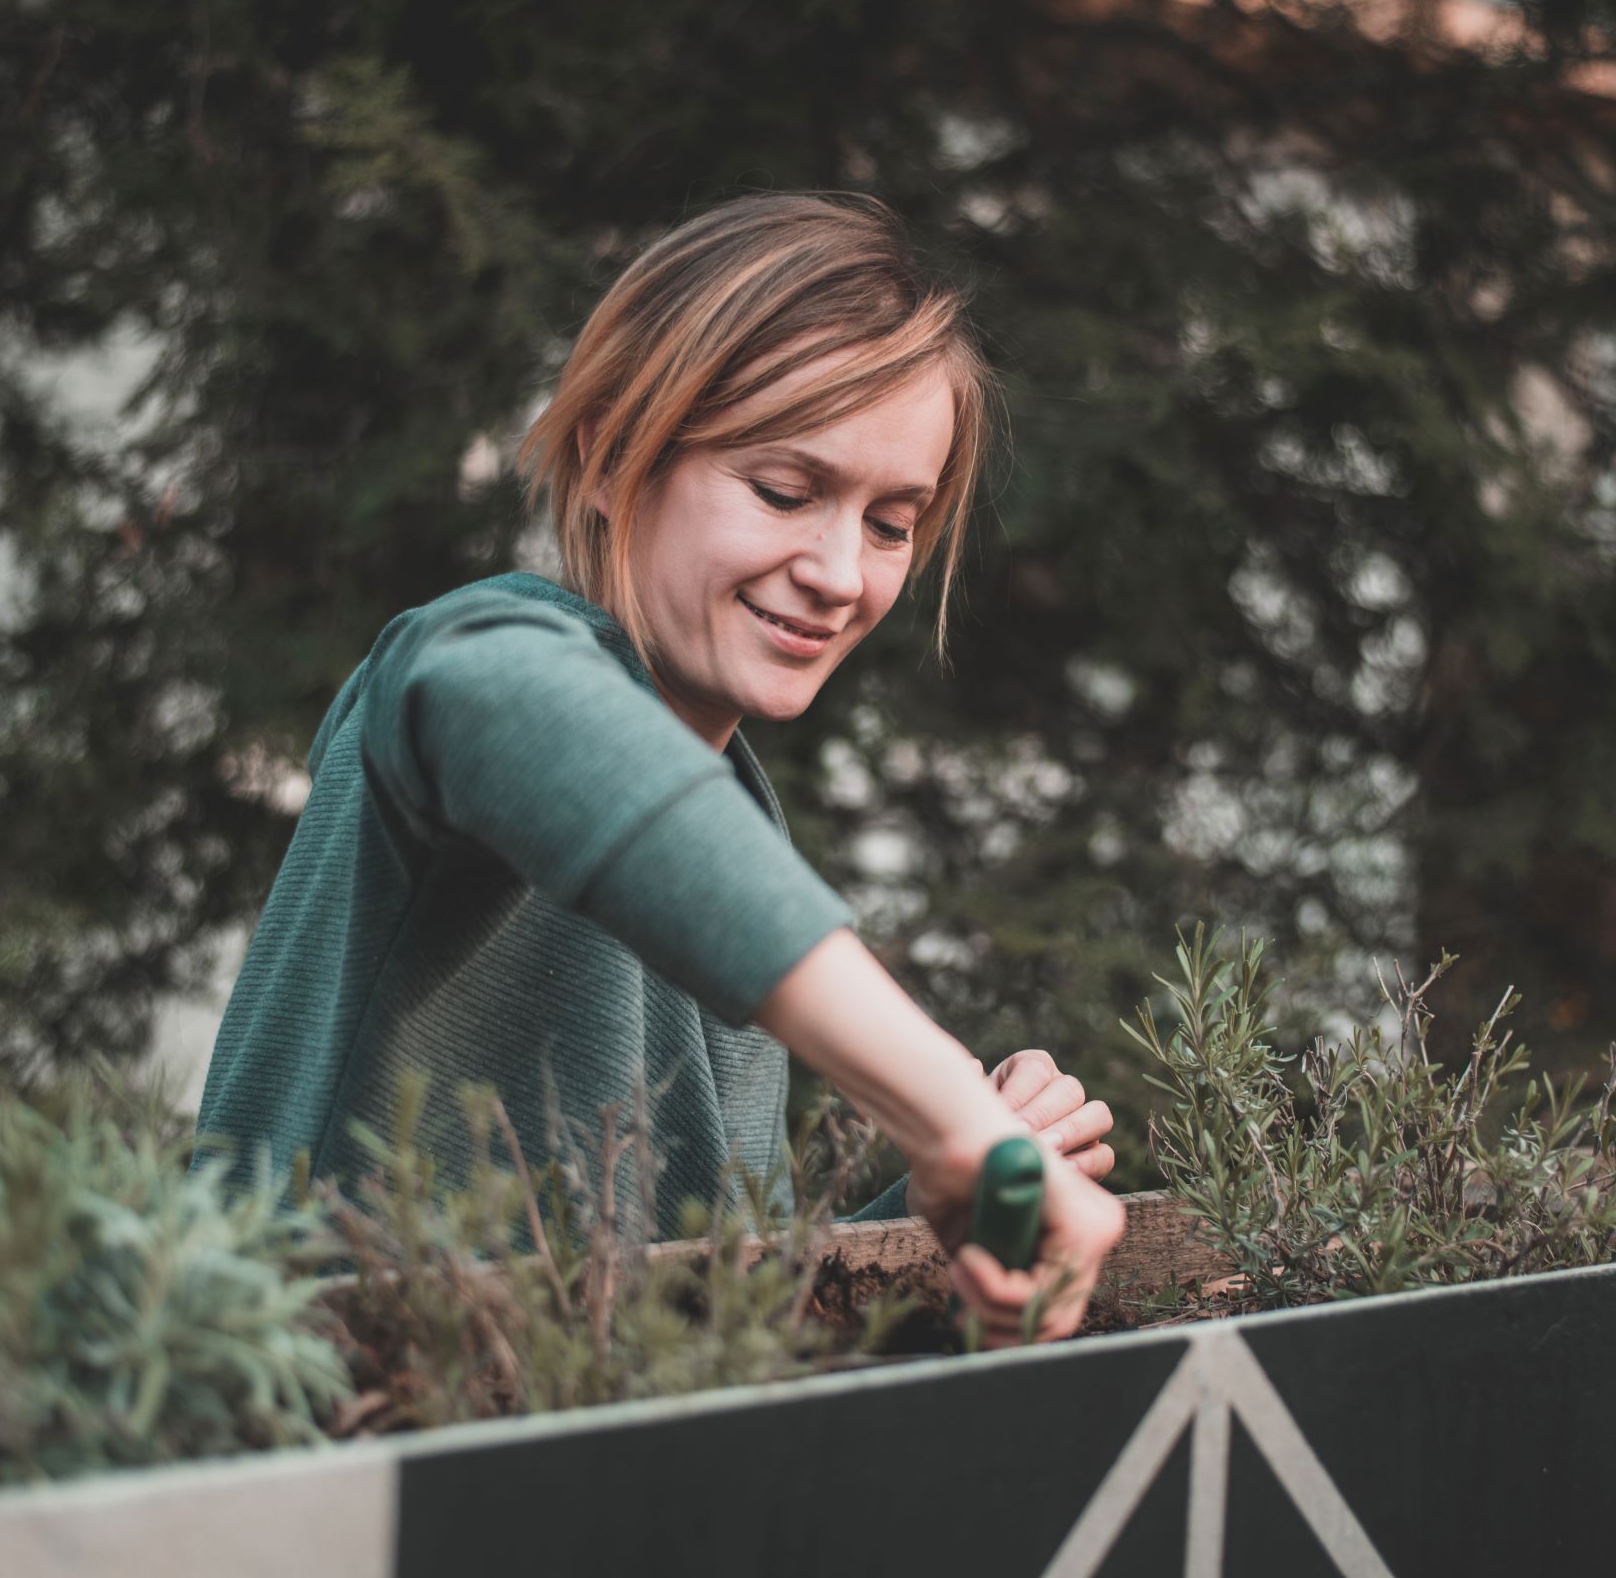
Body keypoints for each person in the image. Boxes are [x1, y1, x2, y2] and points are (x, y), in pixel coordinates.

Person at [195, 191, 1125, 1343]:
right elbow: (499, 701)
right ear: (610, 459)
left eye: (892, 523)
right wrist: (942, 1110)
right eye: (786, 492)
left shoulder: (738, 844)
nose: (842, 572)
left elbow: (711, 1340)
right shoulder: (483, 662)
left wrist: (947, 1232)